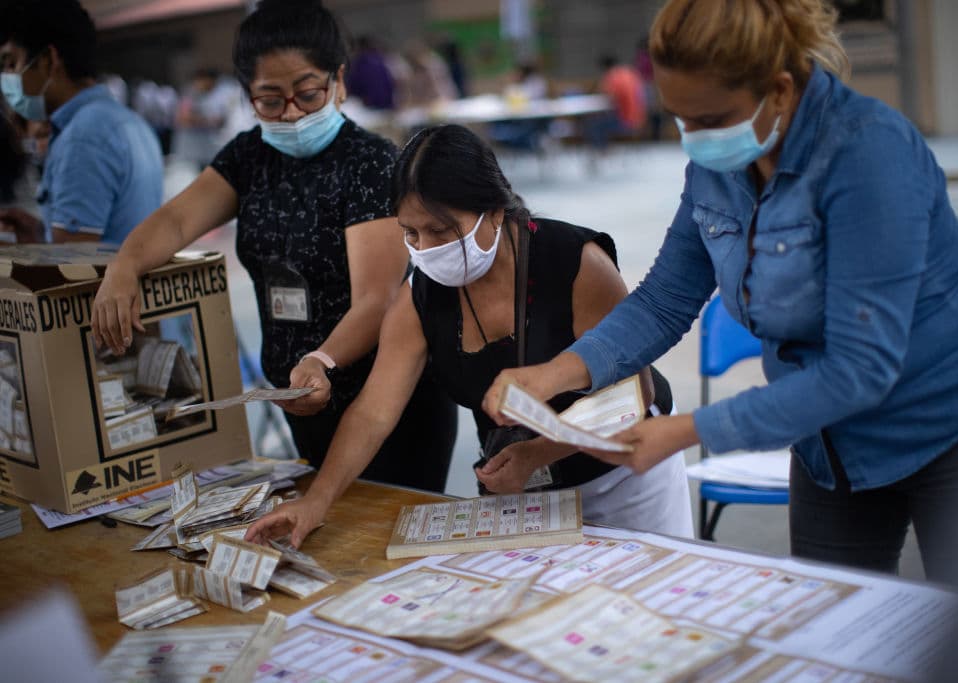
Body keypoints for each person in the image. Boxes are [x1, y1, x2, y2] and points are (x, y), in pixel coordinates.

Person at [483, 0, 958, 585]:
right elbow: (665, 299)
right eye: (680, 119)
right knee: (828, 625)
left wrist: (685, 431)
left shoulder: (869, 155)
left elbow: (860, 370)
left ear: (782, 90)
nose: (694, 139)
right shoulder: (719, 163)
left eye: (710, 119)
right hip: (825, 442)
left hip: (953, 425)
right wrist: (556, 373)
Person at [245, 124, 693, 549]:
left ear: (493, 210)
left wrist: (538, 453)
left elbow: (631, 397)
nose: (425, 248)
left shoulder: (575, 264)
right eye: (410, 233)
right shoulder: (418, 296)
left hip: (625, 474)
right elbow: (374, 412)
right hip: (527, 491)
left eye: (441, 230)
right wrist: (317, 501)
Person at [89, 0, 457, 490]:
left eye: (307, 94)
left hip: (385, 399)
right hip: (299, 395)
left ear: (339, 82)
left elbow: (379, 298)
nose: (291, 113)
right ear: (247, 96)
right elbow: (177, 221)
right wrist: (124, 267)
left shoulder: (369, 163)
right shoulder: (249, 157)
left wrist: (322, 360)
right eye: (269, 99)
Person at [0, 0, 163, 244]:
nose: (6, 78)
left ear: (48, 60)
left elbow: (72, 268)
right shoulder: (124, 119)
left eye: (11, 63)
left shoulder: (83, 137)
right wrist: (39, 236)